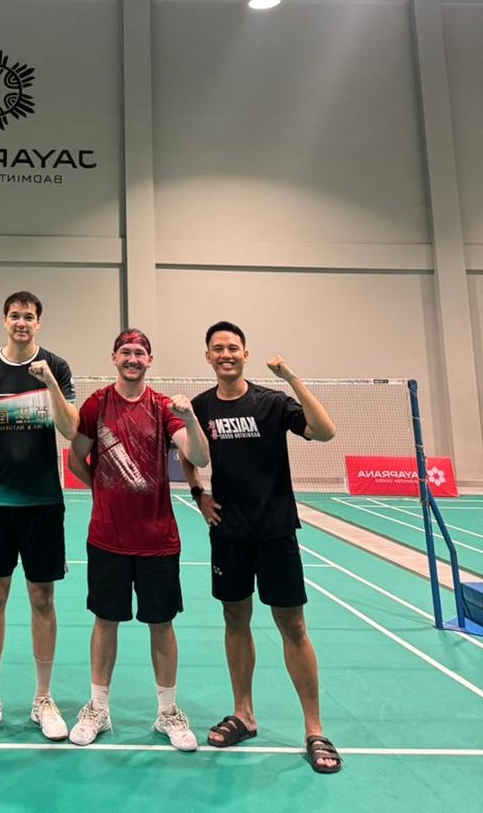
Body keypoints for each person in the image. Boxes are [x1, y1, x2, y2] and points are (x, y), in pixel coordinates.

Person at [181, 321, 342, 774]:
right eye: (218, 348)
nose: (226, 354)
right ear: (208, 357)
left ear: (245, 354)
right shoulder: (201, 406)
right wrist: (198, 493)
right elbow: (187, 453)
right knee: (236, 620)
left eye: (233, 347)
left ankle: (314, 729)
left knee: (293, 626)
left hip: (275, 531)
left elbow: (325, 431)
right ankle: (244, 714)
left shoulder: (272, 403)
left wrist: (291, 377)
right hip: (229, 534)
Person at [66, 329, 210, 748]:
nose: (133, 358)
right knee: (105, 620)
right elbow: (76, 456)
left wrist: (193, 418)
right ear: (114, 357)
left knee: (161, 624)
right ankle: (98, 708)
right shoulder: (97, 404)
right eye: (126, 352)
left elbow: (199, 457)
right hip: (107, 537)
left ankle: (167, 712)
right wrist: (101, 489)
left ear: (150, 360)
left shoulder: (165, 407)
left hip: (158, 538)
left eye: (140, 353)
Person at [0, 290, 79, 742]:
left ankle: (43, 699)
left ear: (39, 322)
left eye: (29, 317)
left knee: (41, 600)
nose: (21, 323)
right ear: (5, 319)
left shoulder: (59, 366)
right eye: (14, 316)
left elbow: (70, 429)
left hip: (43, 503)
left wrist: (50, 382)